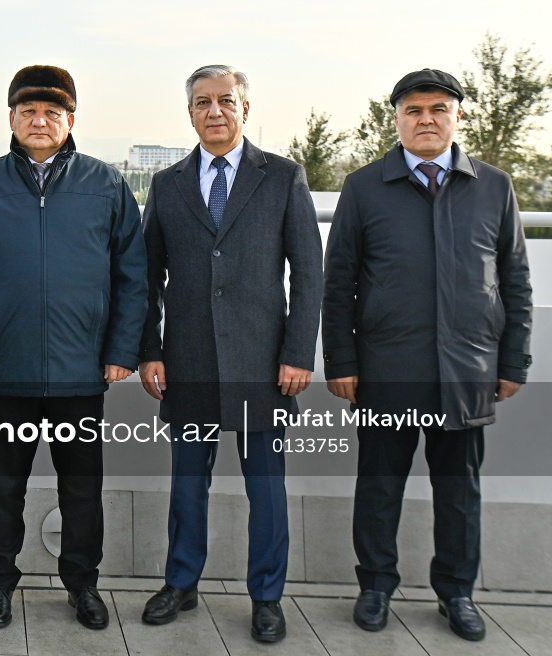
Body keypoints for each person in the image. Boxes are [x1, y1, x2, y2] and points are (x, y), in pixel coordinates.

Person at [322, 68, 533, 642]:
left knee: (459, 493)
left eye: (439, 109)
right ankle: (375, 587)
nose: (426, 120)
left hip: (468, 371)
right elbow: (339, 284)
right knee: (379, 486)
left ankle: (457, 593)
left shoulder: (494, 187)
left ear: (457, 116)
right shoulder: (365, 187)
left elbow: (515, 280)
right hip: (387, 369)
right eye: (413, 110)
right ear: (396, 119)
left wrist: (513, 361)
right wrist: (342, 362)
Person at [0, 65, 147, 631]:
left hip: (82, 372)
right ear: (11, 118)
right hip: (5, 371)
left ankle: (82, 585)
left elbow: (133, 278)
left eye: (52, 112)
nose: (39, 121)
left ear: (70, 120)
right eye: (28, 111)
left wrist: (121, 350)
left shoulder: (106, 185)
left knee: (82, 489)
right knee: (2, 488)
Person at [137, 64, 322, 644]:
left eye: (225, 100)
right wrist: (150, 350)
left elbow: (309, 274)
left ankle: (267, 596)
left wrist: (298, 353)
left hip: (263, 365)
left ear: (245, 108)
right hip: (187, 360)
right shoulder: (167, 184)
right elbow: (146, 277)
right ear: (189, 112)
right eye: (202, 102)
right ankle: (181, 582)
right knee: (187, 485)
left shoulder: (283, 177)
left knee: (265, 489)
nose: (214, 111)